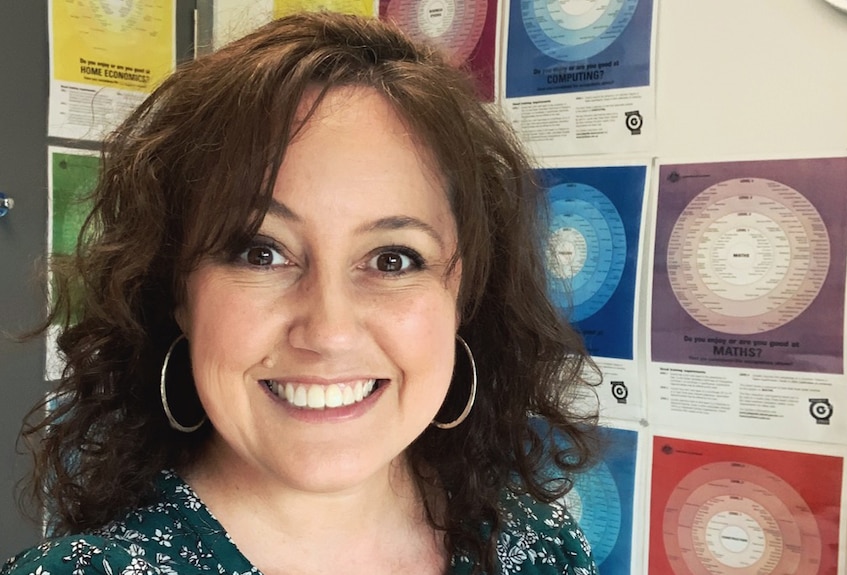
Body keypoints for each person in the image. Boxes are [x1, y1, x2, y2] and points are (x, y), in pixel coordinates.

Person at [2, 11, 600, 575]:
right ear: (177, 290)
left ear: (461, 294)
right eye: (260, 252)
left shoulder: (541, 549)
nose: (329, 330)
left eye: (393, 259)